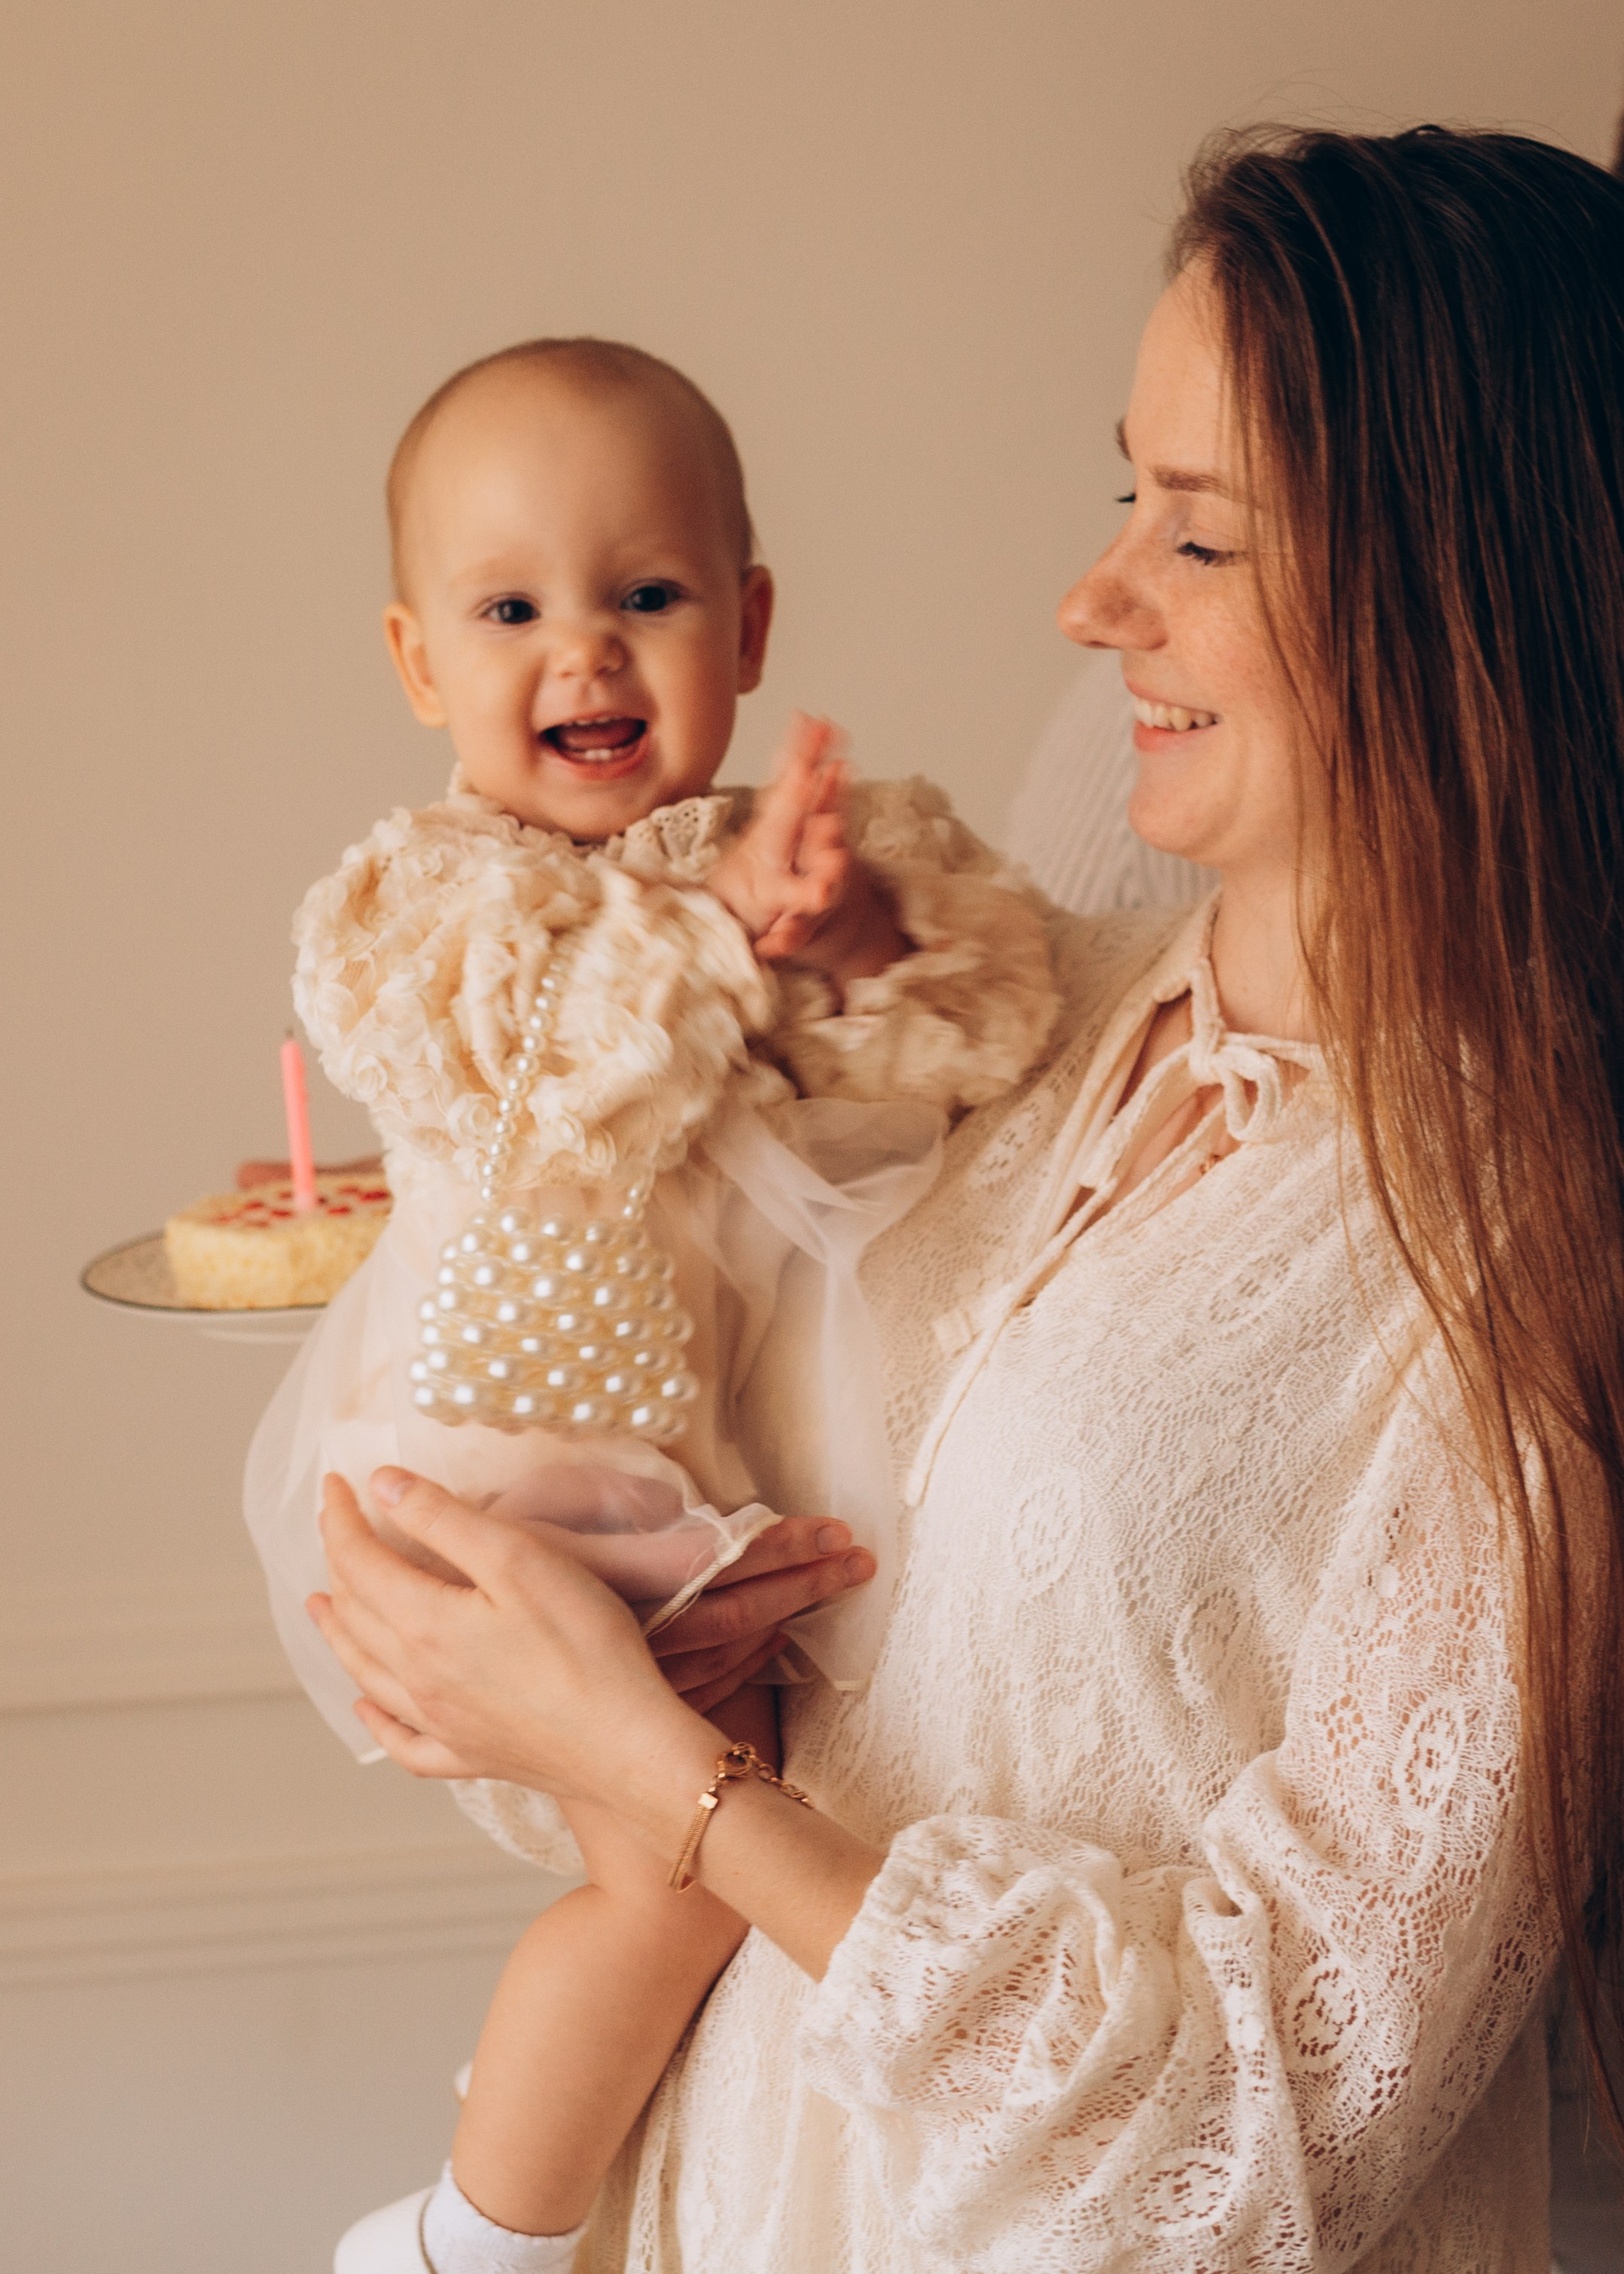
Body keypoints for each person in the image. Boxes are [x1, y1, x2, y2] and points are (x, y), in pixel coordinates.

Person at [314, 127, 1624, 2272]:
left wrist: (671, 1786)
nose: (1092, 597)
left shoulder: (1523, 1275)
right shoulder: (1012, 1020)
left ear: (1449, 583)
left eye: (1193, 534)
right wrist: (580, 1681)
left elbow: (1258, 2123)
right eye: (1123, 494)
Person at [258, 336, 1062, 2274]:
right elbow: (536, 1055)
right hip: (499, 1463)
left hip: (679, 1462)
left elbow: (959, 1047)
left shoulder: (782, 855)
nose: (588, 654)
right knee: (684, 1881)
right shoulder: (430, 892)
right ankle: (474, 2237)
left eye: (648, 595)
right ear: (415, 663)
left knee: (743, 1869)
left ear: (749, 619)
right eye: (512, 607)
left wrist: (850, 933)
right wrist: (715, 932)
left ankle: (621, 2219)